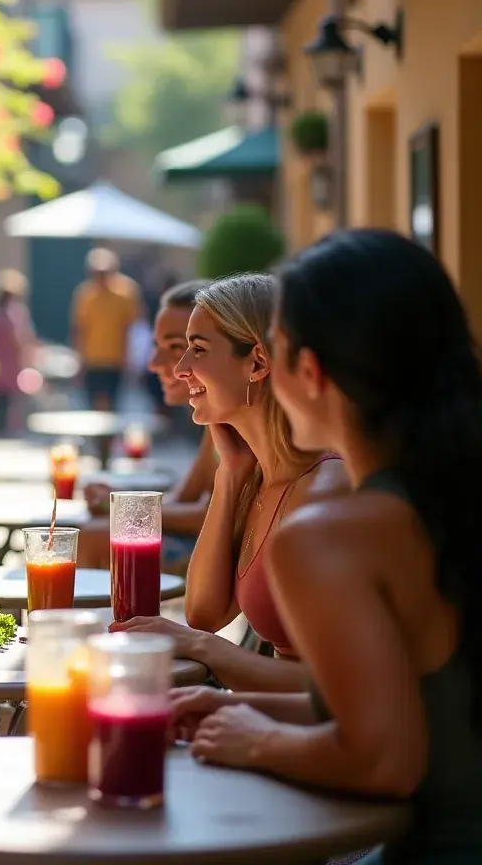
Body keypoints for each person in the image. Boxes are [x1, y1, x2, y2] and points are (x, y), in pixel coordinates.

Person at [170, 230, 482, 863]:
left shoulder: (329, 534)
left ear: (305, 370)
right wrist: (242, 704)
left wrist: (253, 736)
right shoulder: (445, 497)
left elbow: (383, 758)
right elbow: (414, 704)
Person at [113, 273, 348, 692]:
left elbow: (343, 693)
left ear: (257, 362)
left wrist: (204, 649)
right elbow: (204, 612)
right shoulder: (258, 477)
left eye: (197, 350)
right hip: (267, 724)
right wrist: (231, 473)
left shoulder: (322, 492)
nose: (181, 368)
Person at [84, 279, 216, 573]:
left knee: (92, 537)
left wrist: (121, 507)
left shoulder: (233, 424)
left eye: (177, 346)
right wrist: (120, 501)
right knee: (94, 530)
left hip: (232, 560)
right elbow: (184, 499)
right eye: (157, 345)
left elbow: (215, 516)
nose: (154, 362)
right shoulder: (214, 425)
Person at [70, 247, 141, 411]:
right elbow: (79, 329)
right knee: (93, 407)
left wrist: (132, 360)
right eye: (96, 273)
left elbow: (132, 329)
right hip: (91, 360)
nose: (100, 277)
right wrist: (78, 361)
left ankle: (110, 438)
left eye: (104, 272)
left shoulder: (125, 293)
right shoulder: (85, 295)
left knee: (112, 407)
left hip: (115, 361)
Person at [0, 269, 36, 436]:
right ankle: (9, 428)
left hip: (1, 361)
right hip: (10, 362)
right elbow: (19, 338)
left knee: (2, 398)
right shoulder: (12, 314)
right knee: (9, 398)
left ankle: (2, 427)